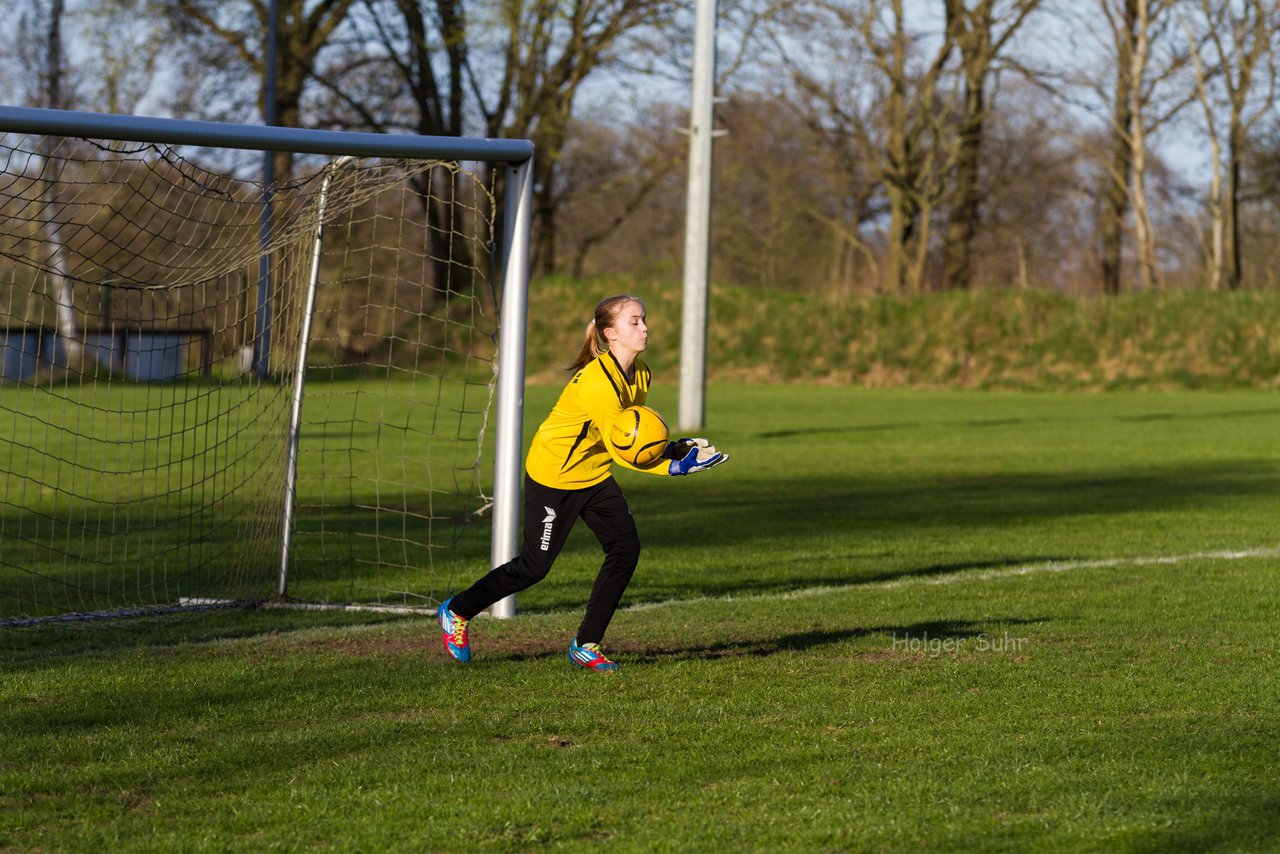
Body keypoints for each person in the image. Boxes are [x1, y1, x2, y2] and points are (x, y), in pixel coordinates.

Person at [437, 294, 728, 672]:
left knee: (625, 548)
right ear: (610, 333)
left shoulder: (641, 374)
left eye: (644, 320)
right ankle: (457, 610)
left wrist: (675, 449)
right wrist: (674, 466)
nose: (645, 328)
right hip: (553, 474)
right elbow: (623, 449)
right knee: (533, 567)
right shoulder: (598, 383)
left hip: (592, 473)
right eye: (635, 322)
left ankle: (586, 644)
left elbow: (632, 438)